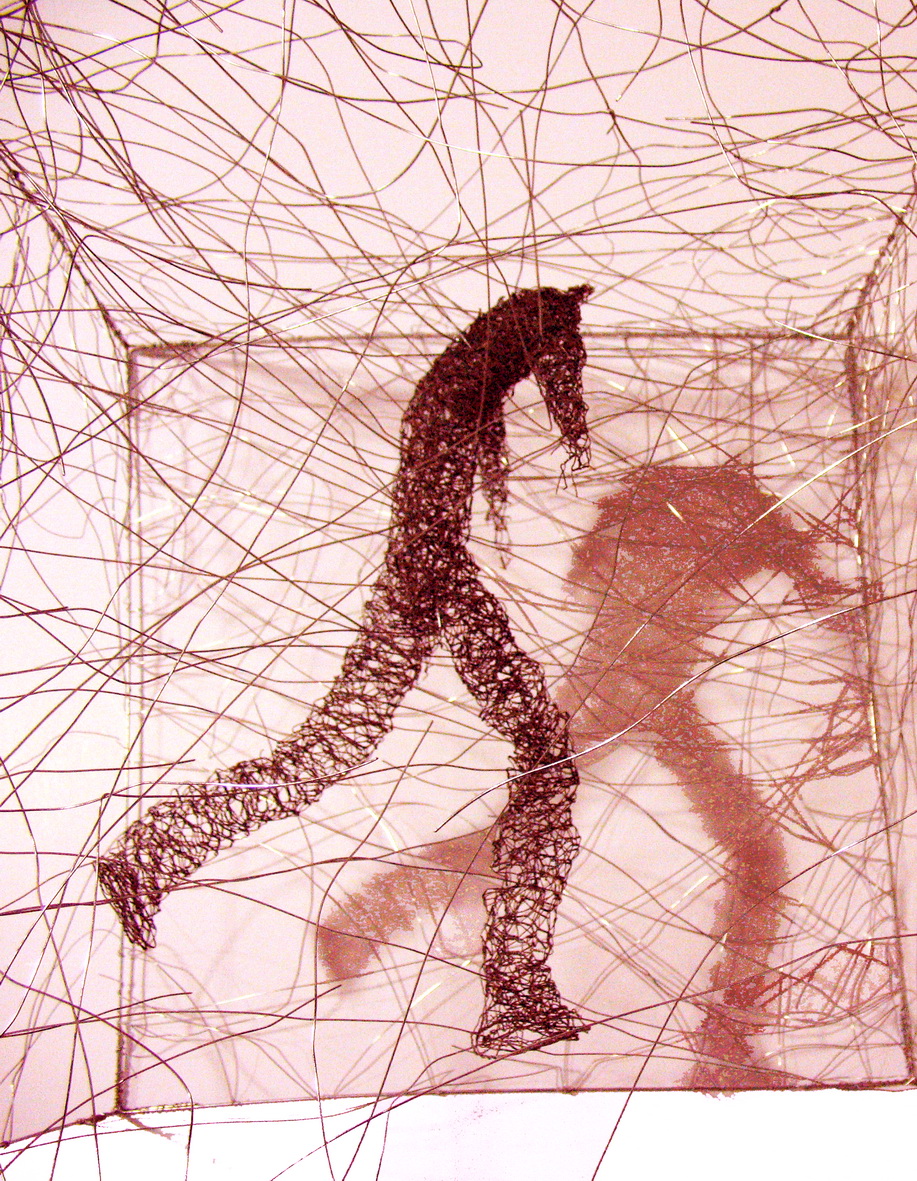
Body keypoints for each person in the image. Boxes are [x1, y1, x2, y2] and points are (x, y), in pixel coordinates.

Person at [98, 284, 595, 1057]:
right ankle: (517, 987)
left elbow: (452, 470)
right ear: (537, 331)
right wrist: (566, 442)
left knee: (334, 748)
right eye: (560, 352)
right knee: (529, 760)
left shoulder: (458, 382)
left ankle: (153, 853)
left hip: (424, 582)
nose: (565, 374)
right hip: (430, 581)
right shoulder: (460, 385)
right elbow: (442, 499)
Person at [316, 460, 862, 1085]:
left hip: (647, 692)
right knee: (748, 855)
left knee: (740, 853)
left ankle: (728, 1041)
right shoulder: (704, 523)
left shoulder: (669, 526)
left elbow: (611, 579)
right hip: (631, 689)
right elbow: (781, 565)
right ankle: (727, 1043)